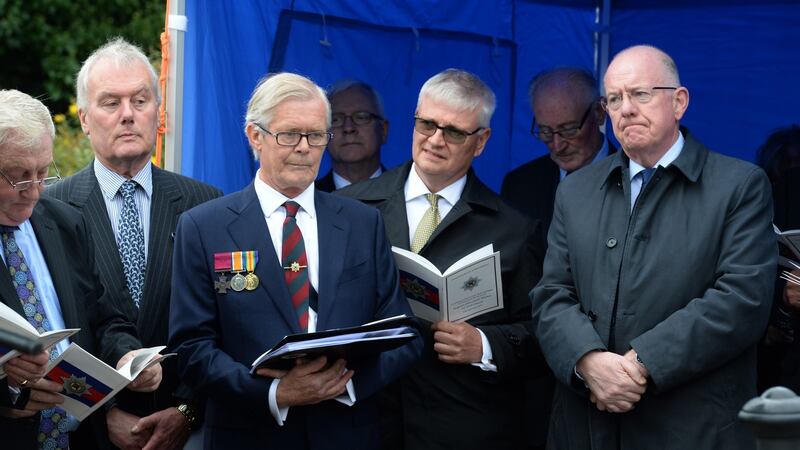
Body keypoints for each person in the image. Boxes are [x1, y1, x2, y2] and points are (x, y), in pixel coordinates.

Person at [532, 45, 776, 449]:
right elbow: (551, 294)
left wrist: (642, 363)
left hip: (690, 429)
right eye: (614, 99)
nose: (625, 109)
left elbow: (742, 299)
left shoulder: (739, 185)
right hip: (585, 428)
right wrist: (587, 360)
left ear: (679, 102)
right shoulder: (575, 191)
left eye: (640, 94)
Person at [168, 72, 422, 449]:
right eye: (290, 134)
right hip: (250, 435)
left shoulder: (362, 223)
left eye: (316, 135)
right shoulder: (204, 227)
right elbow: (191, 349)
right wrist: (275, 392)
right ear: (255, 136)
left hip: (347, 433)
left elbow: (404, 335)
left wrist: (344, 385)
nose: (305, 147)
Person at [339, 68, 545, 450]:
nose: (435, 140)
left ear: (480, 141)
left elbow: (541, 336)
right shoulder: (349, 209)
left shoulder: (515, 229)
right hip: (363, 422)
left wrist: (484, 344)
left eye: (453, 131)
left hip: (463, 428)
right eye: (426, 124)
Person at [45, 37, 222, 450]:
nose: (128, 115)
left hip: (192, 433)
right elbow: (48, 328)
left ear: (158, 112)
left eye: (140, 100)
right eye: (111, 103)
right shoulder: (49, 211)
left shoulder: (207, 205)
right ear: (85, 119)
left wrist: (187, 412)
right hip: (87, 435)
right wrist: (99, 413)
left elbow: (227, 322)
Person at [0, 89, 162, 450]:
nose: (35, 191)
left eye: (44, 172)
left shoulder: (65, 222)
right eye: (17, 177)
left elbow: (106, 316)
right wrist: (6, 388)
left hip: (83, 438)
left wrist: (127, 355)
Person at [501, 67, 613, 232]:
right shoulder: (519, 186)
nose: (557, 145)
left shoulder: (638, 181)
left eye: (569, 129)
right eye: (545, 131)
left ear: (599, 113)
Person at [315, 80, 388, 192]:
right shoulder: (306, 199)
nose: (348, 128)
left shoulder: (409, 193)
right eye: (336, 119)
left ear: (383, 130)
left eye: (361, 117)